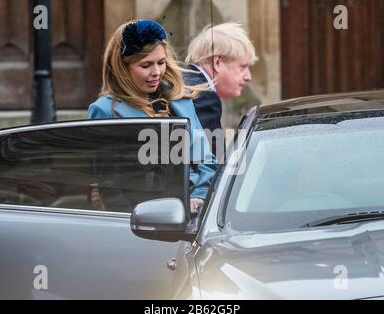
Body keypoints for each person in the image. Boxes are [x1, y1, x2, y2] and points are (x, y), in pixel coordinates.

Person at [88, 19, 215, 215]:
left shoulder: (180, 98)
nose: (156, 72)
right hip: (139, 220)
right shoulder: (105, 110)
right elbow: (110, 186)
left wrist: (199, 195)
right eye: (146, 65)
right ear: (123, 67)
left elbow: (205, 159)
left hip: (191, 215)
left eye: (161, 62)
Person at [184, 23, 257, 156]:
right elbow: (212, 167)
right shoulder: (203, 97)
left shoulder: (186, 82)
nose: (248, 77)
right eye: (242, 67)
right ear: (217, 62)